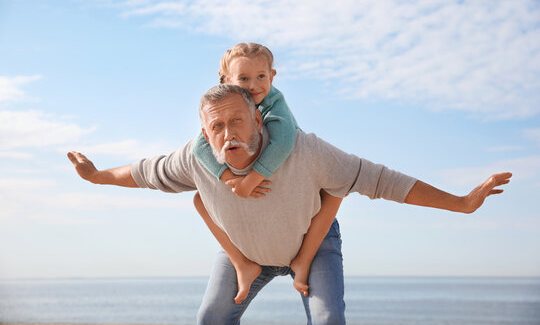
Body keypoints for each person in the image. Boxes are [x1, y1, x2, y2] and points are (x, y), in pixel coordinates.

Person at [67, 84, 511, 325]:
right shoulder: (194, 159)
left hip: (312, 247)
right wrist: (96, 175)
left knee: (328, 318)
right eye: (216, 127)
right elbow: (144, 172)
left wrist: (460, 203)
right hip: (246, 253)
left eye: (237, 120)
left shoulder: (305, 149)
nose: (227, 133)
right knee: (211, 318)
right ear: (205, 134)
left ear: (259, 119)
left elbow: (379, 179)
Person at [192, 42, 342, 304]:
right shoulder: (226, 107)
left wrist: (252, 179)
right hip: (264, 222)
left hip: (306, 204)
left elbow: (283, 142)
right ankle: (245, 265)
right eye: (244, 79)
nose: (254, 85)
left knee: (331, 192)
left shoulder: (274, 102)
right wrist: (229, 179)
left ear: (272, 76)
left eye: (261, 76)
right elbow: (199, 146)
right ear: (228, 80)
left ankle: (303, 262)